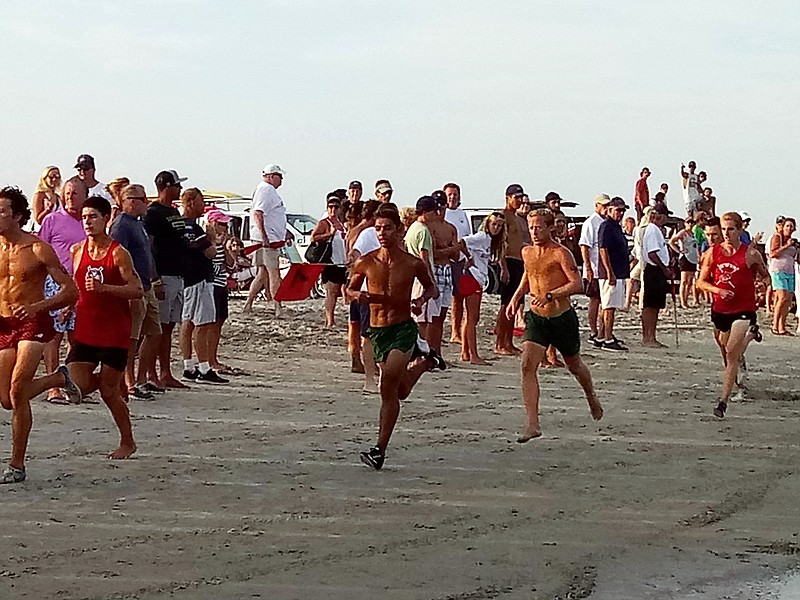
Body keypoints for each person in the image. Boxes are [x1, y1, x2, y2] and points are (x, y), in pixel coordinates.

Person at [347, 203, 443, 470]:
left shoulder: (412, 263)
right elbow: (348, 292)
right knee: (398, 391)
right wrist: (359, 296)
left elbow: (432, 288)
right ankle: (426, 362)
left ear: (399, 230)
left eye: (387, 228)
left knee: (387, 385)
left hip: (402, 329)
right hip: (378, 332)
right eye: (378, 228)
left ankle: (379, 450)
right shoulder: (365, 262)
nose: (382, 233)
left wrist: (421, 301)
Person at [0, 186, 81, 484]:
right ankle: (58, 378)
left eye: (2, 212)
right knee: (6, 400)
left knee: (18, 391)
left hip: (32, 325)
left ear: (18, 216)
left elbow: (70, 290)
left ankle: (16, 465)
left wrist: (38, 306)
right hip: (4, 324)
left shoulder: (36, 249)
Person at [507, 209, 603, 442]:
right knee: (527, 365)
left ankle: (591, 395)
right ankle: (532, 423)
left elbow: (577, 283)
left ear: (550, 228)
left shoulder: (561, 253)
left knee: (574, 365)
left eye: (539, 227)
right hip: (537, 318)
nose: (535, 231)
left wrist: (552, 295)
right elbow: (528, 276)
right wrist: (516, 298)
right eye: (532, 227)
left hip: (561, 317)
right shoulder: (527, 251)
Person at [67, 196, 142, 459]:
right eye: (85, 217)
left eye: (93, 217)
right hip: (86, 328)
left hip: (114, 331)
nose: (88, 222)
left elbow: (137, 290)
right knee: (75, 388)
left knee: (108, 393)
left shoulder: (118, 252)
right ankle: (115, 382)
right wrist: (69, 303)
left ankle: (127, 441)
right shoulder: (77, 251)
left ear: (106, 218)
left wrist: (104, 289)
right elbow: (77, 285)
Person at [696, 212, 769, 419]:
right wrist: (718, 291)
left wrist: (762, 285)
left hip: (744, 309)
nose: (726, 233)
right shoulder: (713, 253)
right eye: (724, 229)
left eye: (731, 229)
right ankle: (751, 336)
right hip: (720, 309)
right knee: (724, 347)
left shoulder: (751, 254)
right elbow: (700, 282)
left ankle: (723, 402)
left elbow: (766, 277)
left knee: (731, 353)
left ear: (739, 230)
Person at [110, 184, 162, 401]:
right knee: (132, 337)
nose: (147, 203)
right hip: (134, 288)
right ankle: (130, 381)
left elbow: (145, 255)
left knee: (154, 332)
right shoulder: (122, 225)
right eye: (143, 199)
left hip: (146, 286)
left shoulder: (137, 224)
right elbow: (117, 258)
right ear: (130, 201)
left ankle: (142, 378)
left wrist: (154, 279)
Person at [38, 176, 87, 403]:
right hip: (55, 282)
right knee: (54, 335)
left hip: (83, 284)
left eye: (75, 193)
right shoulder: (52, 220)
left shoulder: (88, 221)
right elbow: (39, 251)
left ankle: (71, 383)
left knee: (76, 337)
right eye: (67, 193)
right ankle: (52, 387)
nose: (70, 197)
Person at [144, 169, 188, 389]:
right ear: (167, 186)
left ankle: (165, 372)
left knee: (169, 326)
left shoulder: (173, 211)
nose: (179, 189)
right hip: (164, 274)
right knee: (157, 328)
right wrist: (155, 279)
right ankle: (150, 372)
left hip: (177, 273)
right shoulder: (153, 213)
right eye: (177, 186)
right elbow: (149, 246)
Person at [179, 188, 228, 384]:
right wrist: (210, 239)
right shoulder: (193, 228)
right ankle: (204, 367)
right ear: (191, 203)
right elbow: (210, 253)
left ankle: (189, 366)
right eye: (200, 203)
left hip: (188, 278)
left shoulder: (179, 226)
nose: (203, 207)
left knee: (187, 321)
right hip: (199, 278)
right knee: (203, 323)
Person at [243, 164, 291, 315]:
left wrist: (285, 232)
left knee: (262, 273)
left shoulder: (263, 190)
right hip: (267, 240)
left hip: (266, 238)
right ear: (271, 176)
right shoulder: (267, 190)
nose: (281, 180)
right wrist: (265, 236)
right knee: (273, 273)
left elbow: (270, 217)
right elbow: (258, 213)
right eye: (279, 176)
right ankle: (277, 306)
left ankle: (248, 303)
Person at [461, 212, 506, 364]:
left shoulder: (490, 241)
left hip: (478, 278)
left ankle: (466, 352)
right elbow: (461, 242)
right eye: (494, 224)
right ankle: (473, 354)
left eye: (499, 226)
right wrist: (468, 258)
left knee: (471, 317)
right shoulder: (481, 237)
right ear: (487, 224)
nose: (496, 228)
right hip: (471, 277)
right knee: (472, 318)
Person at [425, 193, 466, 354]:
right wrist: (452, 248)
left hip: (447, 269)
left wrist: (449, 249)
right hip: (434, 268)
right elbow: (434, 253)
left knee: (441, 314)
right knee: (430, 315)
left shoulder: (450, 228)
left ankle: (436, 351)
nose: (440, 210)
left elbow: (455, 256)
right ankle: (427, 351)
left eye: (442, 206)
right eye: (437, 207)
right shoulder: (429, 227)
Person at [496, 184, 528, 355]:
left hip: (518, 261)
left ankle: (508, 341)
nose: (519, 201)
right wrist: (503, 267)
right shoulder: (503, 216)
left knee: (514, 304)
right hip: (508, 261)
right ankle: (500, 342)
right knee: (505, 304)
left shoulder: (516, 217)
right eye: (516, 198)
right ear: (507, 197)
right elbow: (500, 243)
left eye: (520, 198)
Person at [597, 197, 631, 351]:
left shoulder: (616, 227)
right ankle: (608, 338)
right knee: (609, 306)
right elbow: (603, 249)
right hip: (610, 273)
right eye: (618, 210)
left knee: (608, 305)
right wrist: (610, 272)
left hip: (618, 271)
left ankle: (602, 335)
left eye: (623, 210)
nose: (621, 213)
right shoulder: (606, 226)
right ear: (609, 210)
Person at [310, 193, 347, 327]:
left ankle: (330, 319)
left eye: (336, 207)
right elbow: (313, 238)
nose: (333, 209)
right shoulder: (324, 222)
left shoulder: (341, 224)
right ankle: (330, 320)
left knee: (338, 292)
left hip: (342, 261)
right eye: (330, 207)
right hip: (330, 261)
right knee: (331, 292)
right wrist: (329, 234)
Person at [579, 194, 611, 346]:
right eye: (603, 206)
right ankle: (593, 330)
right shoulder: (591, 223)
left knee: (604, 301)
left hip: (604, 268)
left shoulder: (606, 222)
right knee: (595, 300)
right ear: (596, 206)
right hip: (594, 267)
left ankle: (603, 331)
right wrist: (588, 267)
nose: (606, 209)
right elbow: (585, 246)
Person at [205, 209, 233, 374]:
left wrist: (226, 245)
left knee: (219, 321)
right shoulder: (207, 241)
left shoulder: (221, 243)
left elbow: (230, 264)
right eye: (222, 224)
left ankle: (213, 358)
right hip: (212, 285)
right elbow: (212, 265)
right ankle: (209, 359)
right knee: (211, 323)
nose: (225, 227)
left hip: (221, 284)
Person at [443, 182, 471, 344]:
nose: (452, 197)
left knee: (460, 297)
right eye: (450, 194)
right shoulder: (443, 214)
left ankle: (457, 331)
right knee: (448, 297)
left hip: (462, 261)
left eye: (455, 194)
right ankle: (452, 331)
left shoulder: (462, 214)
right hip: (447, 259)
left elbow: (467, 237)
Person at [640, 203, 672, 347]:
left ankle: (651, 336)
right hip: (654, 270)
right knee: (651, 305)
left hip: (656, 270)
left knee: (655, 305)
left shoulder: (657, 230)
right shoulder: (652, 230)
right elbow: (652, 253)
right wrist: (664, 268)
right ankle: (648, 337)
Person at [768, 216, 798, 335]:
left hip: (790, 271)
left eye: (791, 226)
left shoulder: (793, 241)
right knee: (782, 297)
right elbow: (773, 253)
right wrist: (786, 245)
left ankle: (782, 326)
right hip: (778, 270)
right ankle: (775, 325)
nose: (789, 228)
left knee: (788, 300)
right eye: (787, 226)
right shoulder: (777, 237)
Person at [668, 217, 700, 308]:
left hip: (693, 258)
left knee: (690, 281)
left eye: (692, 222)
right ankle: (682, 302)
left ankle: (686, 300)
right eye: (688, 222)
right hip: (685, 258)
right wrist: (679, 251)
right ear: (685, 223)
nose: (690, 224)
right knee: (684, 280)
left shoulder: (693, 234)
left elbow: (696, 246)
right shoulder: (683, 233)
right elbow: (671, 242)